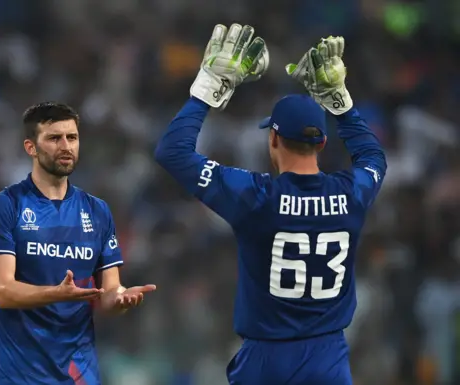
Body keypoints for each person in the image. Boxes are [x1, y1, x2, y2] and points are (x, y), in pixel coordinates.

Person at [154, 24, 386, 385]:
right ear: (322, 143)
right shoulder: (351, 195)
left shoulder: (256, 197)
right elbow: (373, 157)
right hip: (328, 360)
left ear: (273, 138)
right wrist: (340, 100)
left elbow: (173, 151)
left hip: (266, 361)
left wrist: (208, 89)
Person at [0, 101, 157, 385]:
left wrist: (120, 299)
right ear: (30, 147)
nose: (65, 146)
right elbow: (3, 291)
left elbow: (108, 290)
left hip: (79, 376)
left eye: (72, 138)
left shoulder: (97, 211)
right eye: (54, 138)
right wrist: (59, 293)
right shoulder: (3, 207)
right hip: (19, 376)